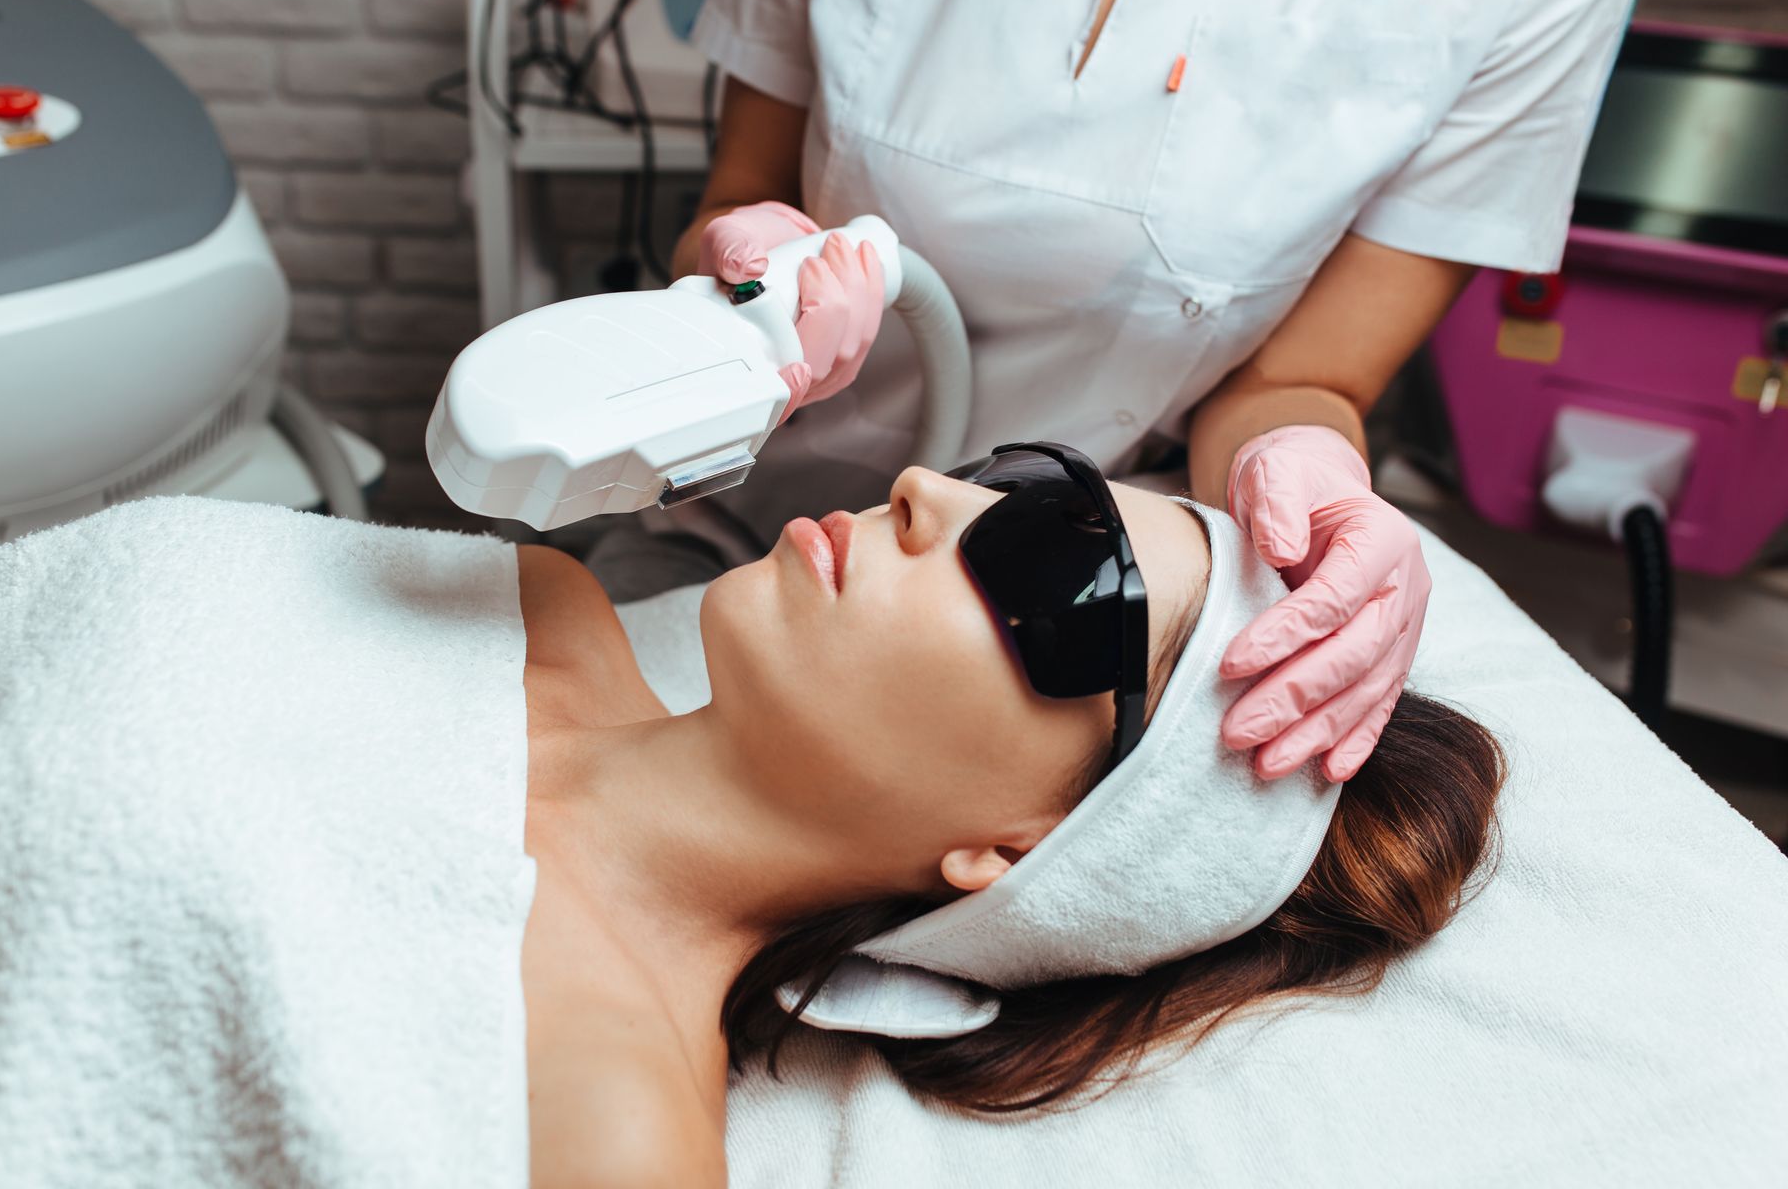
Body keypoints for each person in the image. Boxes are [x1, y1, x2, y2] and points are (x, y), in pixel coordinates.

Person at [593, 0, 1647, 786]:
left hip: (1049, 616)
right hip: (735, 519)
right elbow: (734, 200)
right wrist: (743, 259)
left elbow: (1304, 379)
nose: (929, 493)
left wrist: (1308, 472)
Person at [526, 446, 1503, 1186]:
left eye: (1048, 567)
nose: (920, 486)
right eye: (1010, 481)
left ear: (1020, 850)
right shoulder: (540, 604)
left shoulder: (603, 1118)